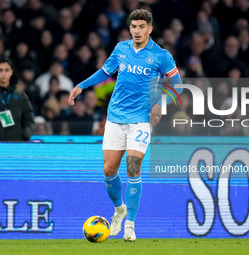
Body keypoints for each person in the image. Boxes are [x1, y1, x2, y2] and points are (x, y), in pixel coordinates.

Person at [69, 9, 182, 242]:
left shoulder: (161, 56)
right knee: (109, 170)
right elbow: (104, 72)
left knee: (133, 168)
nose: (137, 31)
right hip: (115, 117)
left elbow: (178, 84)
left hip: (140, 120)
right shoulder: (121, 49)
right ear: (129, 28)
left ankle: (130, 224)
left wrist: (161, 104)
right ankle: (119, 209)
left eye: (141, 26)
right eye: (133, 27)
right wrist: (81, 86)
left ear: (150, 28)